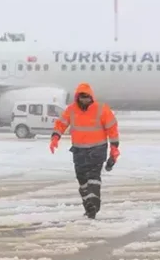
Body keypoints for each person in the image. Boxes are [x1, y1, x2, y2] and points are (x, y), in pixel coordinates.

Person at [49, 82, 120, 219]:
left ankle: (94, 203)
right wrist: (55, 137)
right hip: (79, 150)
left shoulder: (101, 109)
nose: (84, 100)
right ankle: (89, 204)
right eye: (82, 97)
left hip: (97, 149)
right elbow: (61, 124)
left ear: (91, 97)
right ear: (78, 97)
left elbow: (112, 129)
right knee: (82, 179)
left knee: (93, 178)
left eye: (87, 97)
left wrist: (114, 149)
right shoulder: (71, 110)